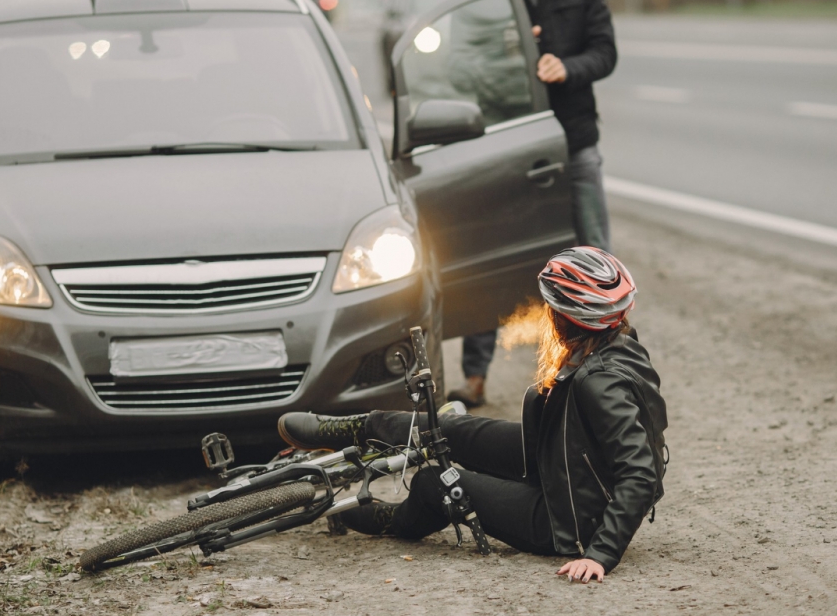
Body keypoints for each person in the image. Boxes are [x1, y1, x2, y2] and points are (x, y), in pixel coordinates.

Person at [278, 247, 667, 583]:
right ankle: (352, 428)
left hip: (566, 520)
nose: (547, 313)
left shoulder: (601, 382)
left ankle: (393, 520)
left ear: (570, 317)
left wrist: (599, 554)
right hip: (559, 464)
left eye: (552, 307)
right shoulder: (614, 344)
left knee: (437, 482)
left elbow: (640, 471)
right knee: (449, 427)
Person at [448, 0, 618, 407]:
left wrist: (566, 67)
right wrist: (510, 60)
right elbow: (459, 71)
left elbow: (605, 51)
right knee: (488, 256)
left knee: (593, 252)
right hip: (503, 145)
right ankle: (474, 377)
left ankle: (606, 362)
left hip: (573, 139)